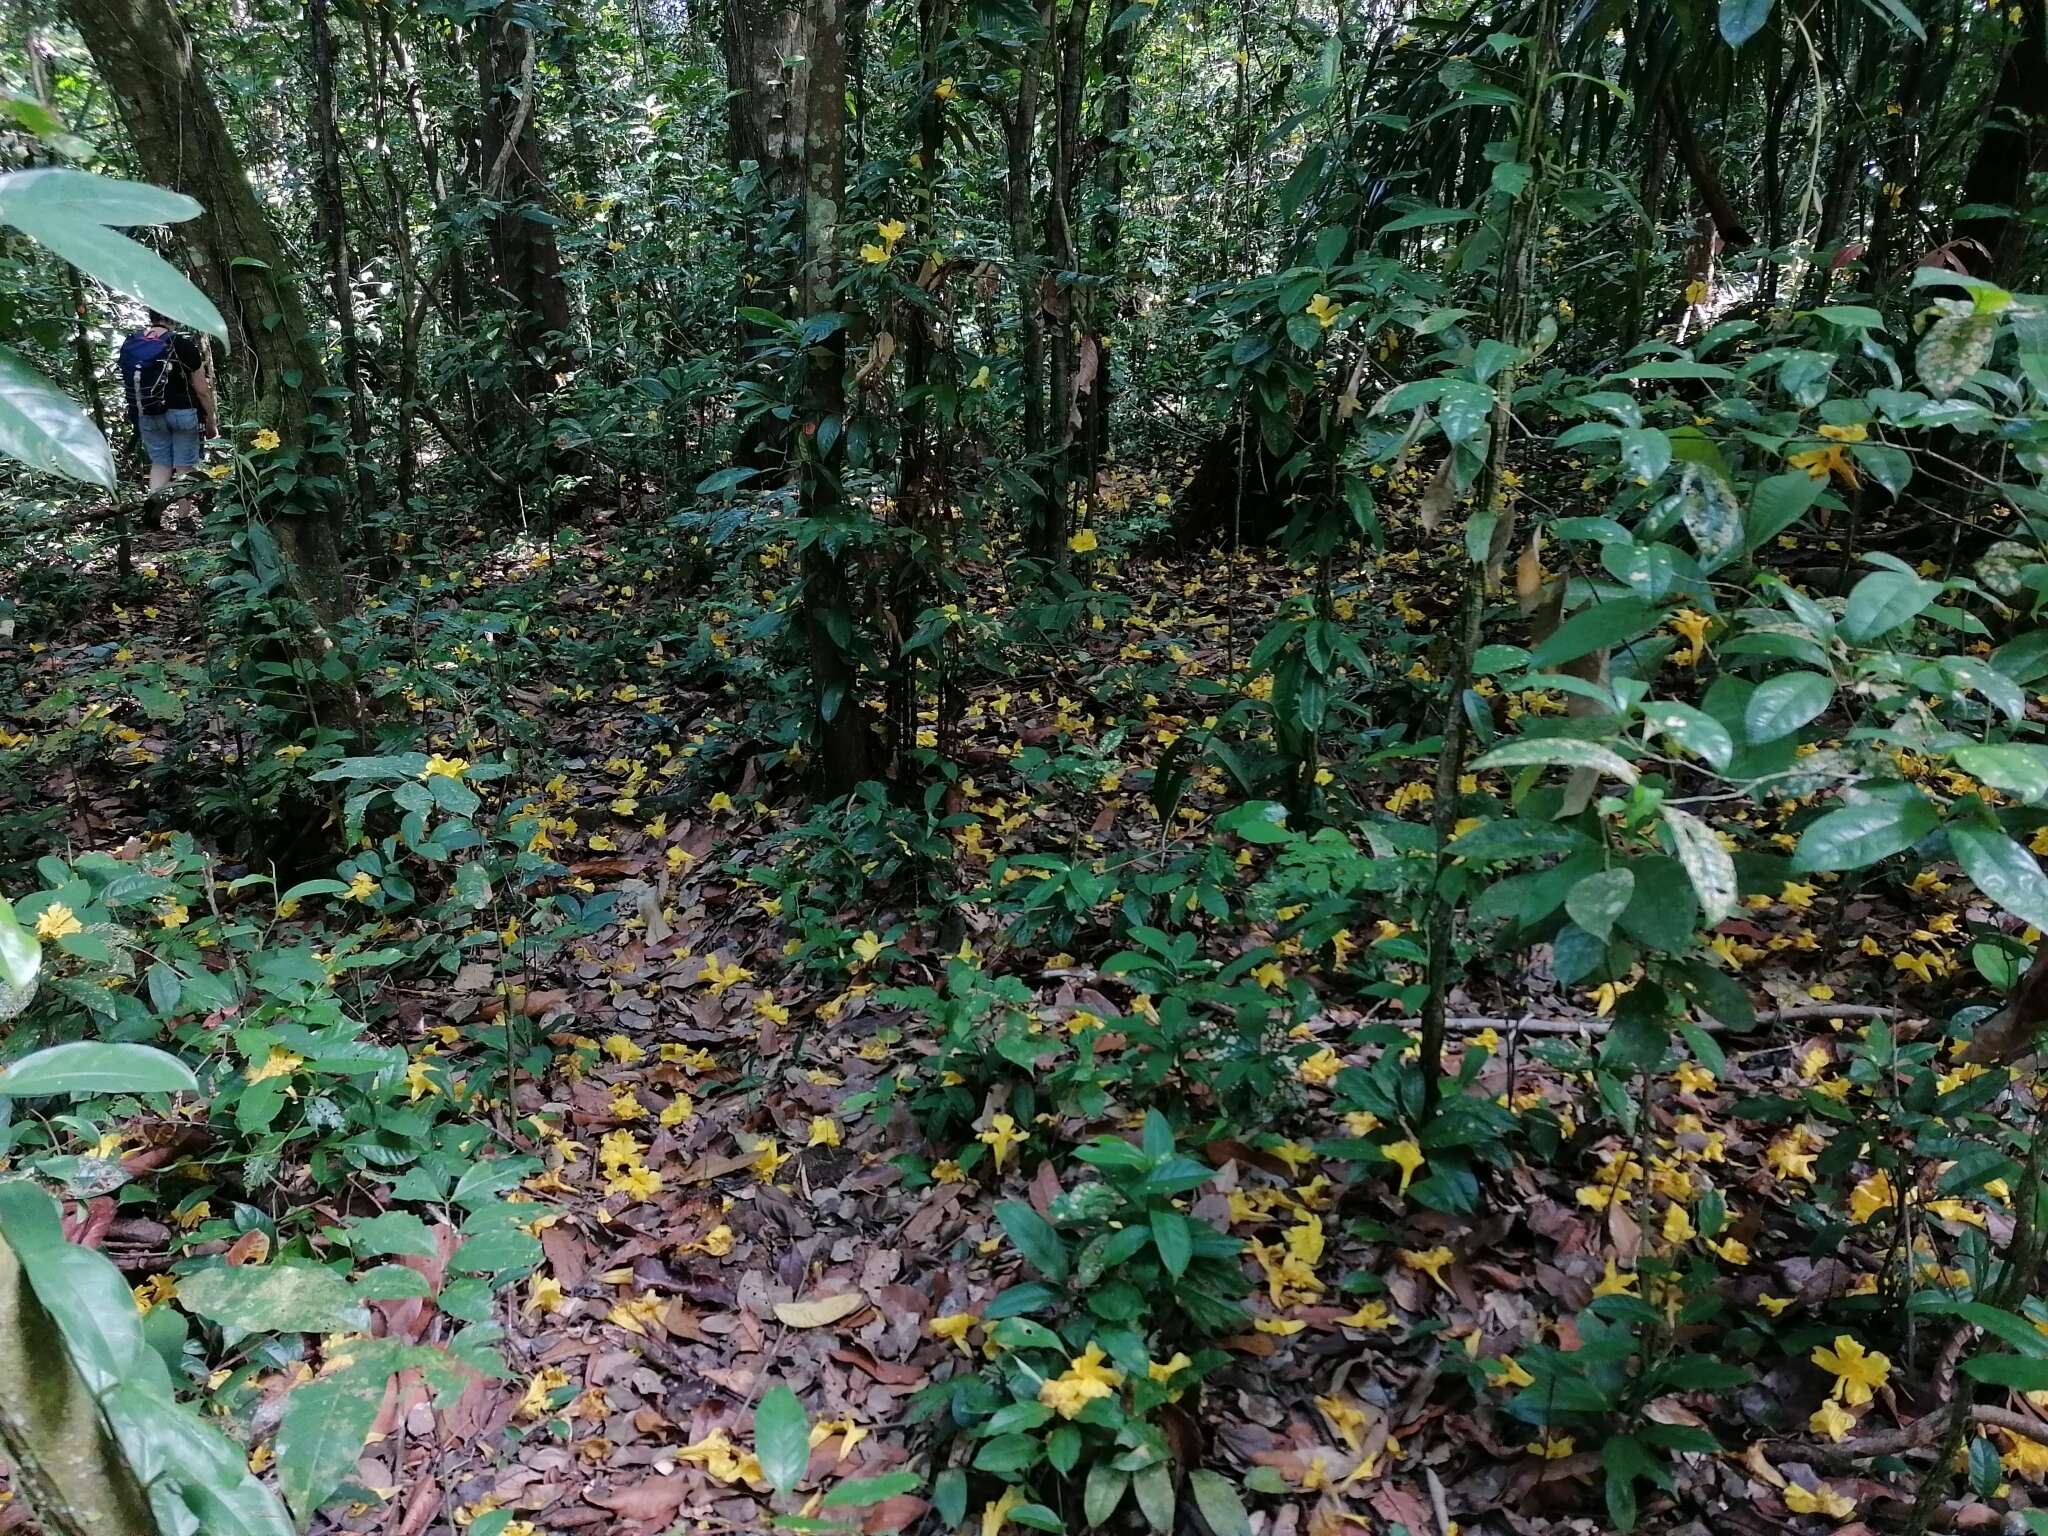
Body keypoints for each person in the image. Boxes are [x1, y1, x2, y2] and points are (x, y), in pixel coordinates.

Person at [116, 309, 217, 493]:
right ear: (174, 319)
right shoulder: (184, 345)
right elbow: (202, 390)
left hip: (148, 413)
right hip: (183, 414)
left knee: (160, 464)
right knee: (184, 468)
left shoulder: (133, 344)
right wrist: (211, 420)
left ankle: (152, 515)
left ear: (151, 317)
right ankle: (184, 520)